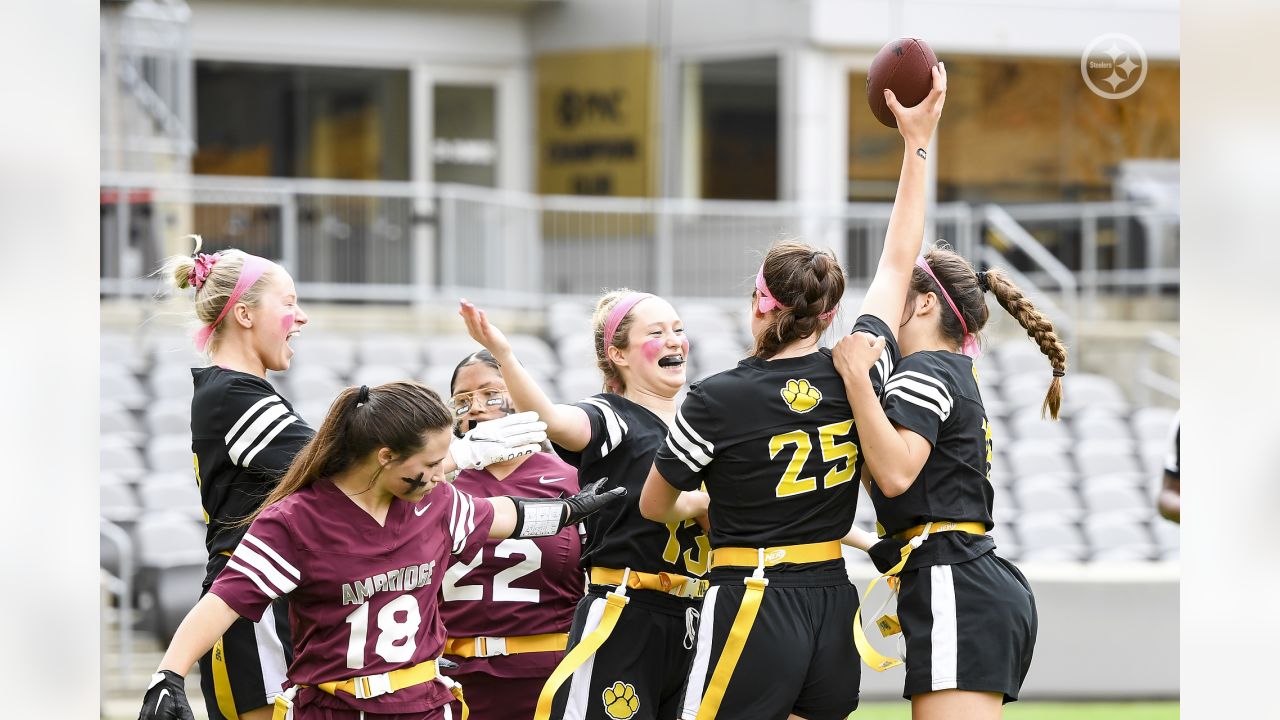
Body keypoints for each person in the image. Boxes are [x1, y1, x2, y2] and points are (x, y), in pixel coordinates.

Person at [639, 63, 948, 720]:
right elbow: (899, 259)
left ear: (762, 301)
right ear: (829, 313)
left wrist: (697, 503)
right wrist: (918, 142)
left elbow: (653, 506)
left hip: (752, 594)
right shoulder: (860, 365)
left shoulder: (717, 397)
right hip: (831, 600)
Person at [156, 238, 556, 720]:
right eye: (288, 304)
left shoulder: (240, 390)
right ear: (244, 314)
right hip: (248, 606)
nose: (301, 317)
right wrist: (462, 453)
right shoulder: (229, 394)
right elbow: (344, 470)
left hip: (286, 599)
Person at [138, 381, 626, 720]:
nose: (443, 473)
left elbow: (506, 517)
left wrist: (569, 511)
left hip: (424, 704)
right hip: (334, 708)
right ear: (385, 456)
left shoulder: (436, 503)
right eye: (432, 462)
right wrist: (169, 675)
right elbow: (224, 602)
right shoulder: (296, 521)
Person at [459, 293, 710, 720]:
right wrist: (504, 354)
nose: (673, 341)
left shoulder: (703, 422)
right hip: (625, 611)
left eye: (678, 329)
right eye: (656, 332)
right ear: (618, 354)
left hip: (693, 617)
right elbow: (553, 421)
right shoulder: (613, 415)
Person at [832, 246, 1052, 718]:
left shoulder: (925, 368)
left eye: (898, 297)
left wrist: (855, 381)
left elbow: (894, 475)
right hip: (960, 576)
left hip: (956, 582)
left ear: (927, 302)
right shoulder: (950, 370)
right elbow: (897, 486)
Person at [439, 350, 585, 719]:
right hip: (450, 677)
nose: (476, 407)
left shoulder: (571, 478)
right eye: (463, 399)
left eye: (491, 393)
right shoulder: (433, 483)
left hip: (546, 674)